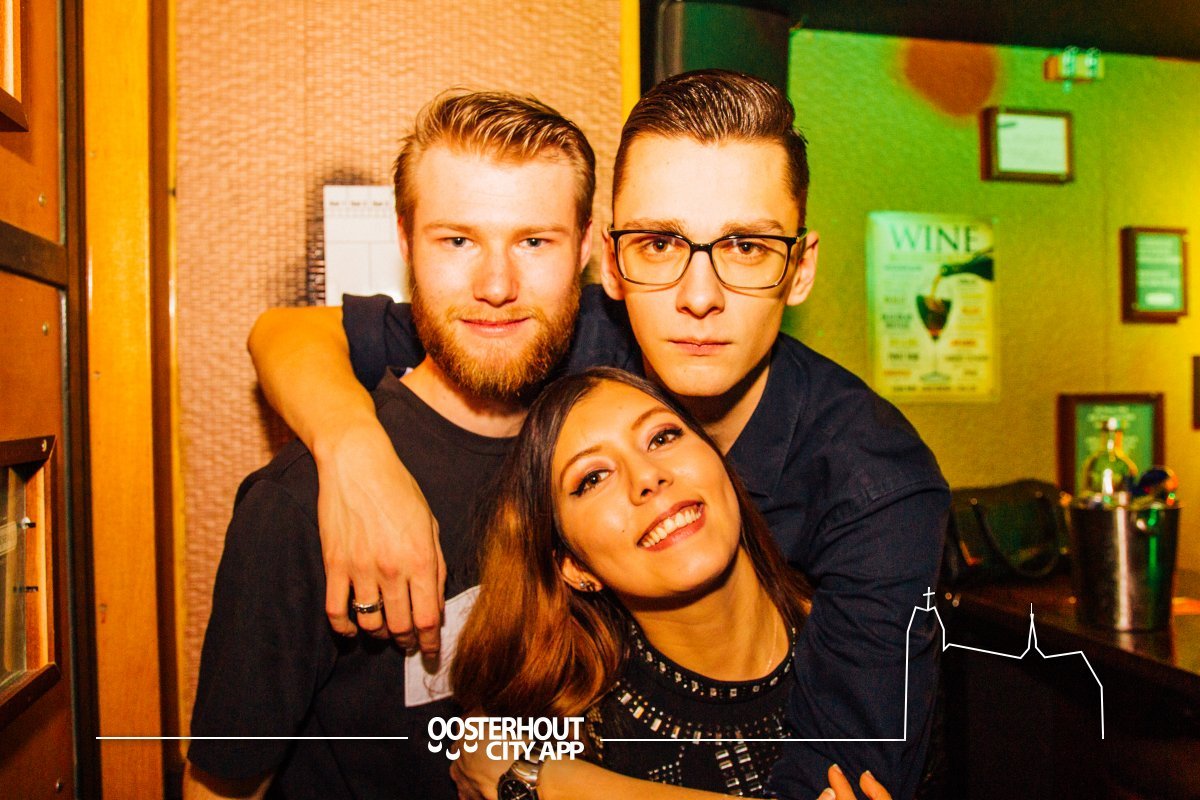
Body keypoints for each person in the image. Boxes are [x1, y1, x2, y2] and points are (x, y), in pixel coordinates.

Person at [249, 70, 948, 798]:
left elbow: (839, 786)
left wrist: (539, 778)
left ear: (798, 270)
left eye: (746, 246)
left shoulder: (877, 483)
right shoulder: (563, 336)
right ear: (612, 263)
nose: (698, 297)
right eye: (659, 243)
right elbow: (289, 333)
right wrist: (357, 458)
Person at [183, 89, 597, 799]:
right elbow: (224, 787)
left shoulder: (608, 452)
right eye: (457, 240)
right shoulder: (299, 507)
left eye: (534, 241)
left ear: (585, 248)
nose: (497, 285)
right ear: (405, 244)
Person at [447, 367, 890, 800]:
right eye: (593, 478)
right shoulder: (559, 737)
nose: (647, 477)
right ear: (574, 567)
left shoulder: (878, 636)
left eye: (662, 437)